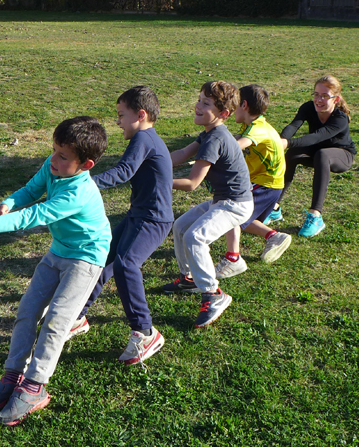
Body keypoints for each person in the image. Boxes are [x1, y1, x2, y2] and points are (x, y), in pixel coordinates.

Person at [0, 116, 111, 426]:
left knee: (56, 321)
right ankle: (12, 376)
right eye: (54, 150)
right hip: (58, 251)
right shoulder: (53, 168)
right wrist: (9, 201)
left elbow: (33, 216)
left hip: (86, 259)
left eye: (63, 156)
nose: (53, 159)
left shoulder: (78, 193)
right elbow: (30, 191)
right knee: (27, 310)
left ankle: (35, 386)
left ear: (86, 165)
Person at [70, 86, 173, 366]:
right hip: (138, 216)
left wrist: (87, 182)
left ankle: (145, 332)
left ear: (140, 115)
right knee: (105, 259)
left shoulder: (143, 138)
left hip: (152, 219)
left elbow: (124, 172)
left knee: (126, 264)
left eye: (121, 115)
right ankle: (76, 317)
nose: (117, 122)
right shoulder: (145, 138)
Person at [162, 81, 254, 328]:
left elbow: (192, 183)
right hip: (221, 201)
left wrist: (158, 182)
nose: (198, 106)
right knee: (181, 226)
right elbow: (182, 154)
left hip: (235, 204)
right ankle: (189, 279)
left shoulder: (216, 138)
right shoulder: (209, 133)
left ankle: (214, 294)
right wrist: (155, 163)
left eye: (206, 103)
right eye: (199, 99)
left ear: (223, 114)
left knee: (195, 237)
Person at [215, 84, 292, 279]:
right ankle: (274, 237)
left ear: (245, 105)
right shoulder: (253, 124)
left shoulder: (257, 129)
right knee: (242, 217)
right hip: (266, 183)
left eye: (235, 105)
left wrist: (212, 157)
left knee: (231, 210)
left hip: (266, 183)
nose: (232, 110)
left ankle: (233, 259)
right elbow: (234, 140)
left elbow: (237, 146)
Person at [269, 75, 356, 238]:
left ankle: (316, 216)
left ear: (336, 99)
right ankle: (273, 207)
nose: (319, 99)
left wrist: (287, 143)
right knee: (293, 153)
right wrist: (282, 140)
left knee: (323, 154)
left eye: (325, 96)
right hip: (317, 152)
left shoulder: (340, 119)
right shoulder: (308, 107)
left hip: (341, 155)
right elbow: (294, 125)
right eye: (316, 94)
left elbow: (316, 136)